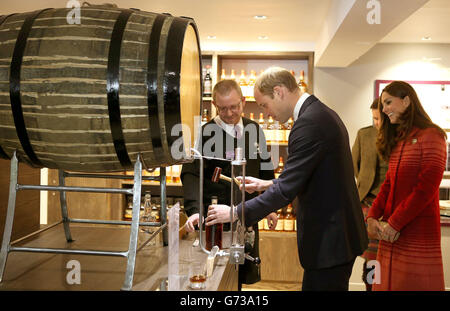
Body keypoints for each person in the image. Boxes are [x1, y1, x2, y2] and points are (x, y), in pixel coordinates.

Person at [206, 67, 368, 291]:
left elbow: (286, 191)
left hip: (330, 240)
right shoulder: (319, 113)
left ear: (279, 91)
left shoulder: (309, 124)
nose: (267, 112)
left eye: (264, 105)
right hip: (337, 237)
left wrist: (234, 213)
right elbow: (310, 175)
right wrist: (268, 183)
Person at [181, 79, 277, 290]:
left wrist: (269, 207)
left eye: (234, 106)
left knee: (240, 273)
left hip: (247, 214)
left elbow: (266, 170)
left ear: (243, 101)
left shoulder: (254, 129)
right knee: (218, 275)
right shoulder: (205, 133)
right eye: (223, 108)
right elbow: (191, 174)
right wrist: (194, 211)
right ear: (215, 105)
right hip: (216, 220)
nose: (229, 113)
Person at [366, 81, 446, 291]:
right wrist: (373, 216)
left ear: (407, 100)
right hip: (391, 233)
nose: (383, 110)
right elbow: (389, 183)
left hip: (416, 232)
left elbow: (425, 189)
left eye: (388, 102)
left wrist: (395, 222)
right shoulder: (400, 138)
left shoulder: (432, 136)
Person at [351, 98, 388, 291]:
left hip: (391, 206)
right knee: (371, 257)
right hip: (367, 202)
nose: (377, 123)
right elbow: (354, 164)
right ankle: (370, 288)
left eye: (380, 118)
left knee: (386, 256)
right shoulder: (364, 134)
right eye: (374, 118)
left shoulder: (400, 137)